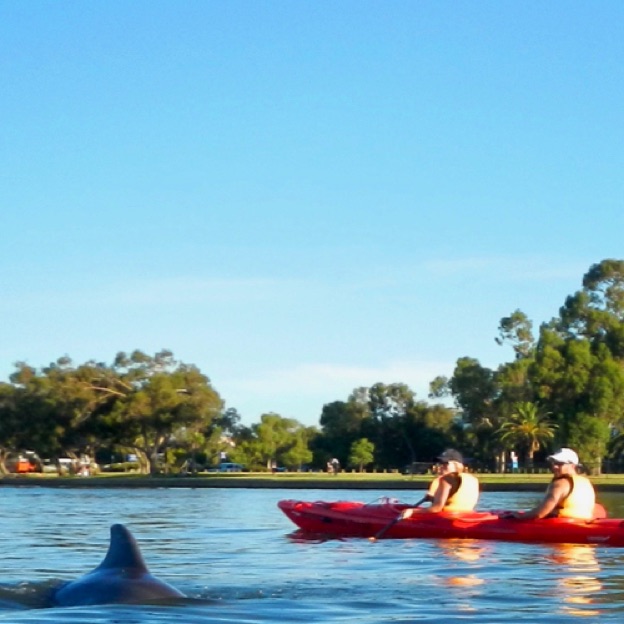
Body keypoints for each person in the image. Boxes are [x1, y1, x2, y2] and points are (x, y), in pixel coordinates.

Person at [507, 448, 595, 520]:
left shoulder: (561, 483)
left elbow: (540, 513)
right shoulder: (586, 482)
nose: (554, 466)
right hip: (584, 521)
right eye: (554, 463)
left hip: (563, 526)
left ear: (572, 465)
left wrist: (520, 517)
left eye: (560, 464)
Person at [400, 449, 479, 518]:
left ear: (456, 464)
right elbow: (457, 500)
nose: (440, 466)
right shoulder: (473, 479)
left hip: (448, 518)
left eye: (445, 464)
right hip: (467, 516)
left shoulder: (446, 479)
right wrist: (433, 499)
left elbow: (436, 509)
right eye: (440, 463)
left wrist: (412, 511)